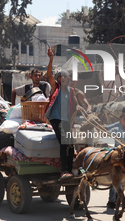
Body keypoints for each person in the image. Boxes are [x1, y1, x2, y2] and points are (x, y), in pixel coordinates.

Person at [45, 48, 79, 179]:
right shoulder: (56, 88)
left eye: (65, 76)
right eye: (61, 76)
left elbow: (75, 104)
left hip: (66, 121)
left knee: (71, 143)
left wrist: (79, 107)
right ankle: (64, 170)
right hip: (55, 119)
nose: (63, 77)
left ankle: (69, 170)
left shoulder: (71, 91)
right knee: (64, 142)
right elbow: (49, 75)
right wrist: (51, 59)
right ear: (58, 78)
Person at [105, 112, 125, 209]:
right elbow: (106, 132)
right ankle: (111, 201)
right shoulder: (116, 130)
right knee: (115, 181)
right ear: (120, 121)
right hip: (118, 159)